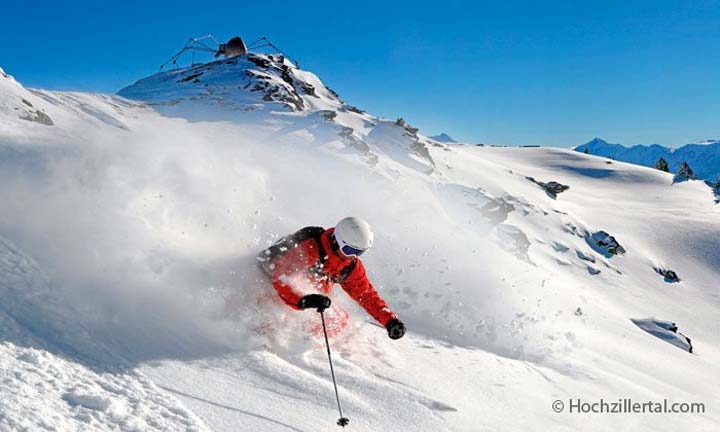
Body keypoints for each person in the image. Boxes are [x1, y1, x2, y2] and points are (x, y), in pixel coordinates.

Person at [257, 217, 405, 340]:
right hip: (267, 284)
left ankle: (303, 343)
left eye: (359, 252)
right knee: (274, 318)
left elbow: (366, 294)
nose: (353, 256)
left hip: (301, 296)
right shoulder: (309, 248)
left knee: (337, 320)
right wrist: (303, 300)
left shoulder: (350, 266)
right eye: (349, 250)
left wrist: (390, 321)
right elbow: (281, 278)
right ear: (337, 240)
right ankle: (266, 339)